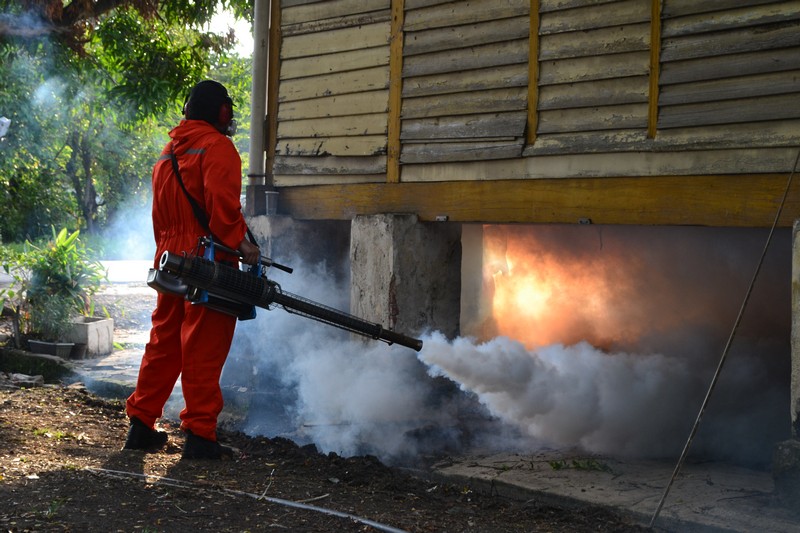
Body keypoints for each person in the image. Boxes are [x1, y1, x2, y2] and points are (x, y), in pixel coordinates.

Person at [124, 80, 261, 459]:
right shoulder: (218, 147)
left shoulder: (166, 154)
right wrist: (243, 245)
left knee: (164, 341)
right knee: (202, 346)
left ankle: (140, 424)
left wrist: (172, 249)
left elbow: (161, 219)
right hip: (207, 259)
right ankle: (200, 436)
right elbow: (222, 209)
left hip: (169, 258)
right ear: (222, 112)